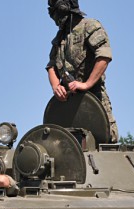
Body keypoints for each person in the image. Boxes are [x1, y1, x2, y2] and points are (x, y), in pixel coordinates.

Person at [46, 0, 119, 142]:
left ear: (63, 7)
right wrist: (56, 87)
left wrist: (86, 84)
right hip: (67, 103)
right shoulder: (60, 38)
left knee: (106, 139)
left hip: (94, 99)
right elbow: (51, 66)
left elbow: (104, 55)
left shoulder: (90, 26)